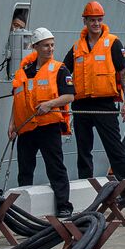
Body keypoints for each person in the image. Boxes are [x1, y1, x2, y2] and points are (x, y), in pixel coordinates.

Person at [60, 2, 125, 182]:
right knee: (83, 150)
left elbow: (124, 73)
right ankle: (85, 185)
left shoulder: (113, 43)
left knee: (114, 147)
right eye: (92, 20)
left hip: (105, 104)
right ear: (85, 21)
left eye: (99, 20)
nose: (96, 24)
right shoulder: (77, 47)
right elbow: (63, 71)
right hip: (81, 105)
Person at [10, 27, 75, 216]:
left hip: (48, 125)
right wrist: (12, 124)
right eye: (46, 45)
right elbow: (17, 100)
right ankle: (24, 208)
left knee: (55, 166)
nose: (50, 49)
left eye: (52, 45)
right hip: (26, 128)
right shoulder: (23, 72)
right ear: (36, 47)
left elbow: (69, 96)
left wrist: (50, 104)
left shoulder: (59, 69)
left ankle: (64, 206)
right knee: (25, 168)